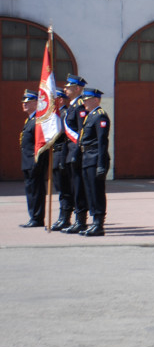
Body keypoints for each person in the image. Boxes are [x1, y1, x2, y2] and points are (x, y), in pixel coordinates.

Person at [77, 87, 110, 236]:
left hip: (96, 157)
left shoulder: (100, 116)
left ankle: (99, 224)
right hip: (87, 157)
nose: (84, 102)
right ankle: (94, 222)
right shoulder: (90, 116)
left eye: (86, 100)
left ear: (95, 100)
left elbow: (102, 142)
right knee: (90, 191)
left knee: (97, 192)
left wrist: (101, 164)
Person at [61, 74, 90, 235]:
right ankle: (73, 219)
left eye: (68, 86)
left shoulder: (79, 106)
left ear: (77, 88)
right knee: (72, 187)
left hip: (76, 154)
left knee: (79, 188)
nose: (65, 88)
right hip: (70, 152)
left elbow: (81, 132)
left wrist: (77, 153)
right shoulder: (72, 106)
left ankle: (81, 221)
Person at [19, 90, 46, 228]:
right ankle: (33, 216)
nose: (24, 104)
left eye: (28, 102)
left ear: (36, 103)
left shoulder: (37, 121)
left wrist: (38, 162)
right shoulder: (30, 120)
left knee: (36, 191)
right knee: (31, 190)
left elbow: (40, 143)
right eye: (24, 102)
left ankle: (37, 218)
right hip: (27, 161)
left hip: (34, 162)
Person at [49, 88, 73, 231]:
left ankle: (65, 218)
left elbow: (64, 138)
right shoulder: (56, 115)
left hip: (61, 155)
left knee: (65, 189)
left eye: (54, 99)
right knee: (60, 189)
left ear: (61, 100)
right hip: (55, 154)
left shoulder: (65, 114)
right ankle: (62, 217)